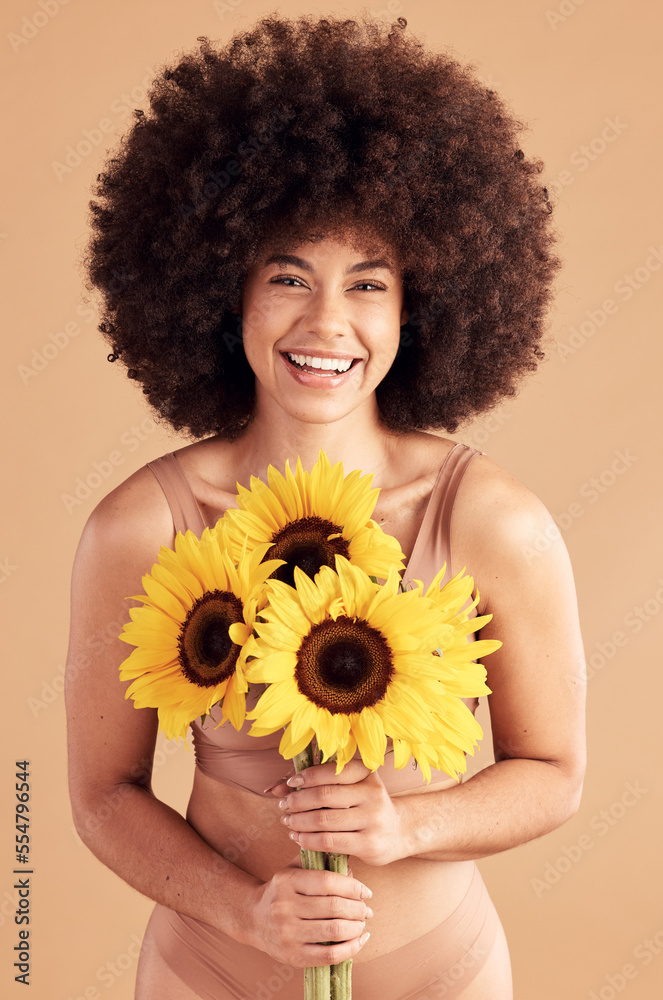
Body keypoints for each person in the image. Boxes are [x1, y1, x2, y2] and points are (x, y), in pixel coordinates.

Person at [65, 13, 586, 999]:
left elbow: (554, 769)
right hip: (207, 968)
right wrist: (244, 915)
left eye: (369, 283)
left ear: (418, 307)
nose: (327, 324)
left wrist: (408, 827)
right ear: (227, 292)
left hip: (446, 972)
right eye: (289, 276)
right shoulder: (139, 527)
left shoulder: (492, 519)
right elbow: (100, 794)